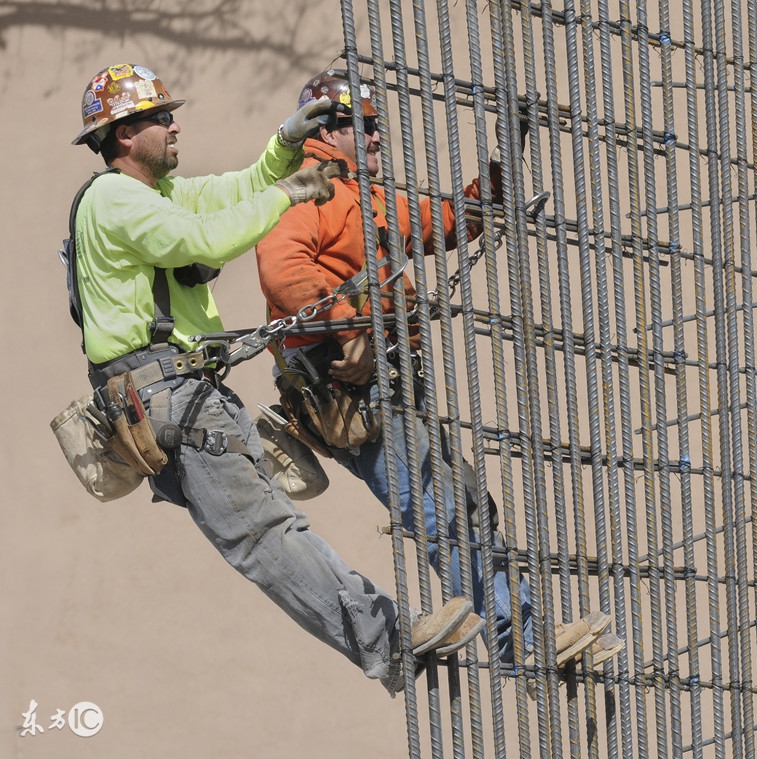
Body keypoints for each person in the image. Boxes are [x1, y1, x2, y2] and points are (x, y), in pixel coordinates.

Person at [66, 63, 482, 696]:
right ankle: (388, 640)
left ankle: (390, 639)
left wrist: (285, 146)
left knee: (266, 530)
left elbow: (237, 189)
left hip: (187, 392)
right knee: (264, 536)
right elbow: (202, 239)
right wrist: (289, 195)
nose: (175, 126)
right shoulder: (114, 199)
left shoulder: (155, 193)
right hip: (166, 392)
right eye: (161, 117)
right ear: (124, 134)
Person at [254, 69, 623, 669]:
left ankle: (525, 631)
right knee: (439, 510)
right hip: (345, 387)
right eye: (362, 126)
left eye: (377, 125)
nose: (377, 136)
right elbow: (284, 272)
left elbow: (452, 218)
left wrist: (505, 159)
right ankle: (523, 644)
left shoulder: (367, 197)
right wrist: (352, 331)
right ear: (325, 130)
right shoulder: (308, 194)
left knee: (465, 503)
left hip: (388, 380)